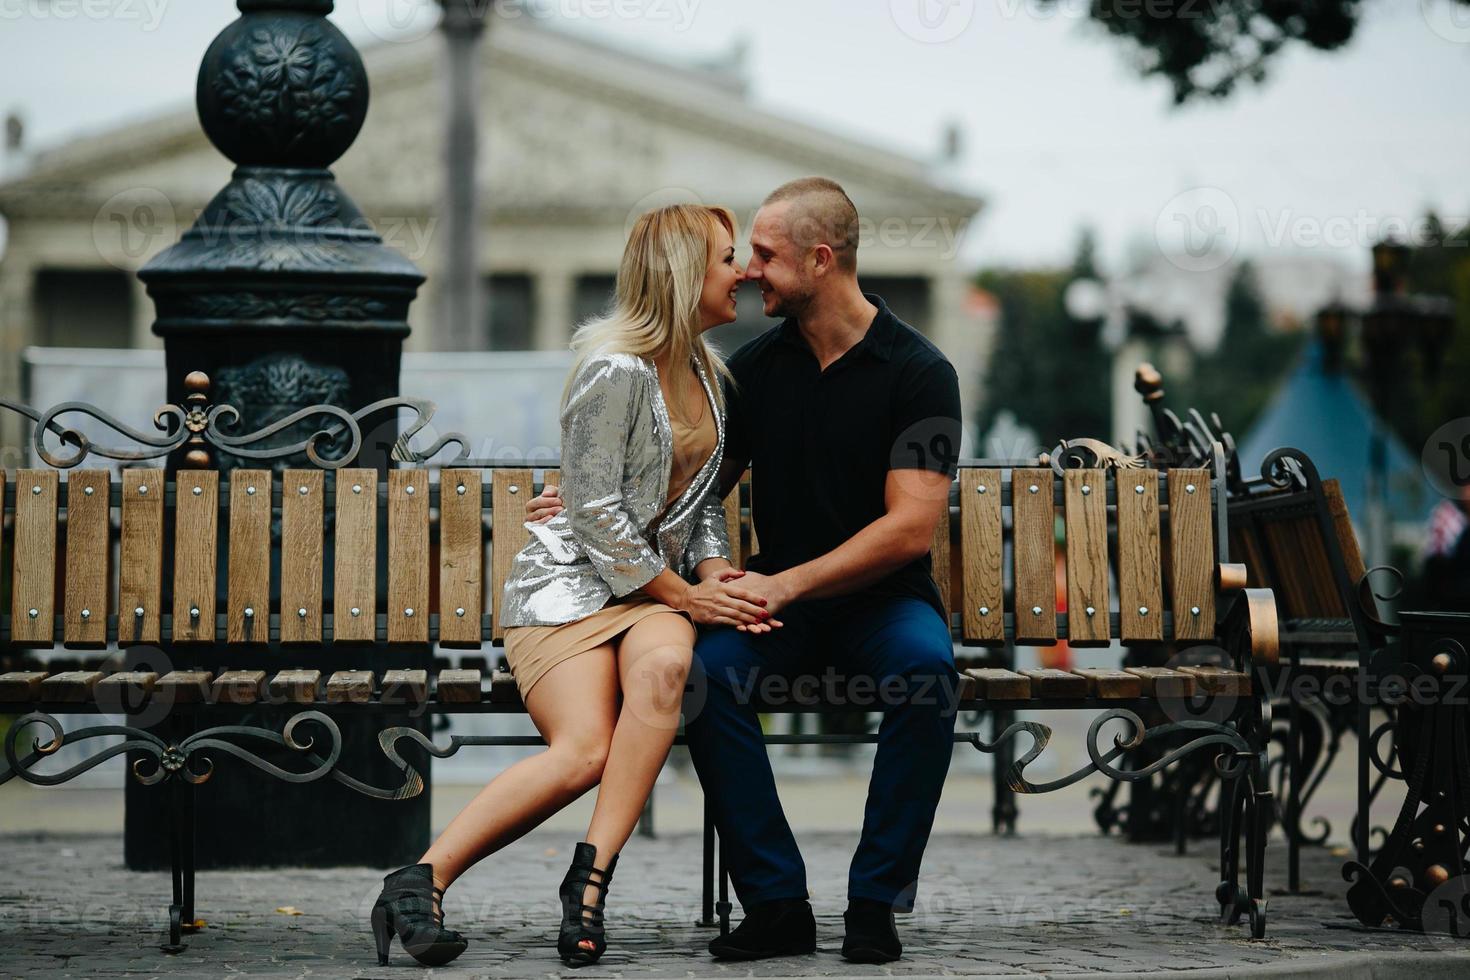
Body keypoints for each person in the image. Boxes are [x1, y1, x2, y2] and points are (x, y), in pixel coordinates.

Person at [529, 177, 964, 964]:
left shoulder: (923, 372)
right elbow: (685, 484)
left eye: (766, 255)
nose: (751, 270)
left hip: (882, 602)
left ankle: (874, 903)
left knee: (930, 672)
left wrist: (788, 583)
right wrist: (586, 491)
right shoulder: (752, 372)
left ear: (822, 260)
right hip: (773, 607)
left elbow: (909, 528)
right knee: (706, 677)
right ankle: (774, 904)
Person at [370, 204, 780, 969]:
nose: (744, 273)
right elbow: (590, 509)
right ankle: (418, 880)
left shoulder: (710, 373)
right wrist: (688, 596)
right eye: (729, 259)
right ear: (686, 274)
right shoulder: (612, 369)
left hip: (651, 593)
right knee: (584, 750)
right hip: (569, 590)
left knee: (667, 670)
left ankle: (587, 887)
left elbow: (702, 506)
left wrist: (718, 574)